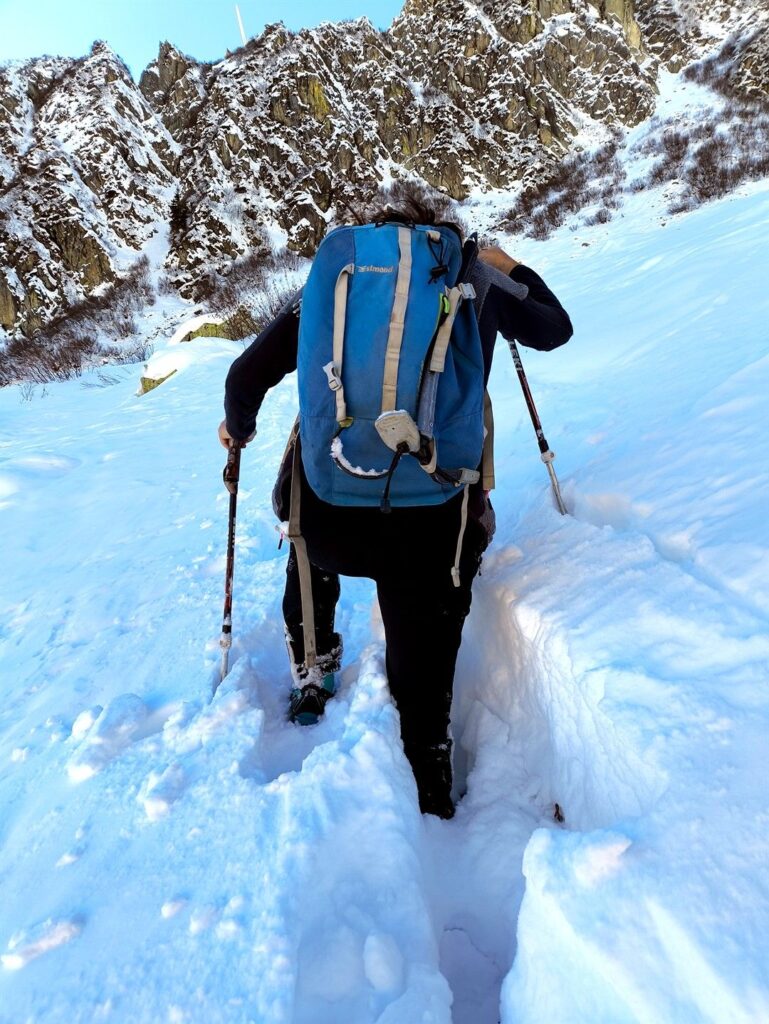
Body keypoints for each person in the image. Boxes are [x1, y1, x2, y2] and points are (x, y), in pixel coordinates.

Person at [219, 194, 573, 818]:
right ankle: (429, 759)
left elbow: (243, 380)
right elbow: (552, 327)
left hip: (330, 518)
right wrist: (507, 265)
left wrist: (237, 430)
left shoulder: (337, 293)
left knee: (305, 514)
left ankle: (315, 664)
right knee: (428, 619)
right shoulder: (472, 277)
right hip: (431, 517)